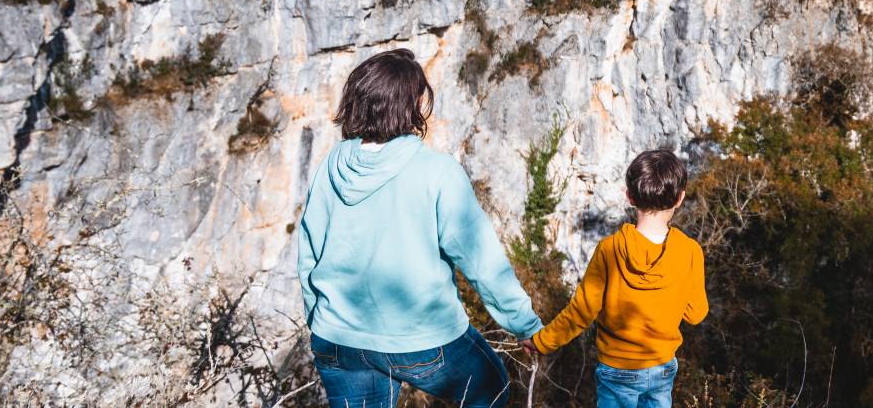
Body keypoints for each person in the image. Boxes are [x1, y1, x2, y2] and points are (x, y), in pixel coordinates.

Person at [296, 48, 543, 407]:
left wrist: (320, 320)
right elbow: (481, 261)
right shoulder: (437, 171)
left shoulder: (331, 166)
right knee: (491, 389)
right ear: (412, 104)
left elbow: (309, 252)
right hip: (422, 338)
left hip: (338, 339)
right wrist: (525, 325)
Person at [523, 150, 709, 408]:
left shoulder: (609, 250)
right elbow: (696, 313)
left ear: (629, 197)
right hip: (661, 369)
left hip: (617, 369)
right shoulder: (690, 252)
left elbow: (580, 313)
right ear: (680, 199)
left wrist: (541, 341)